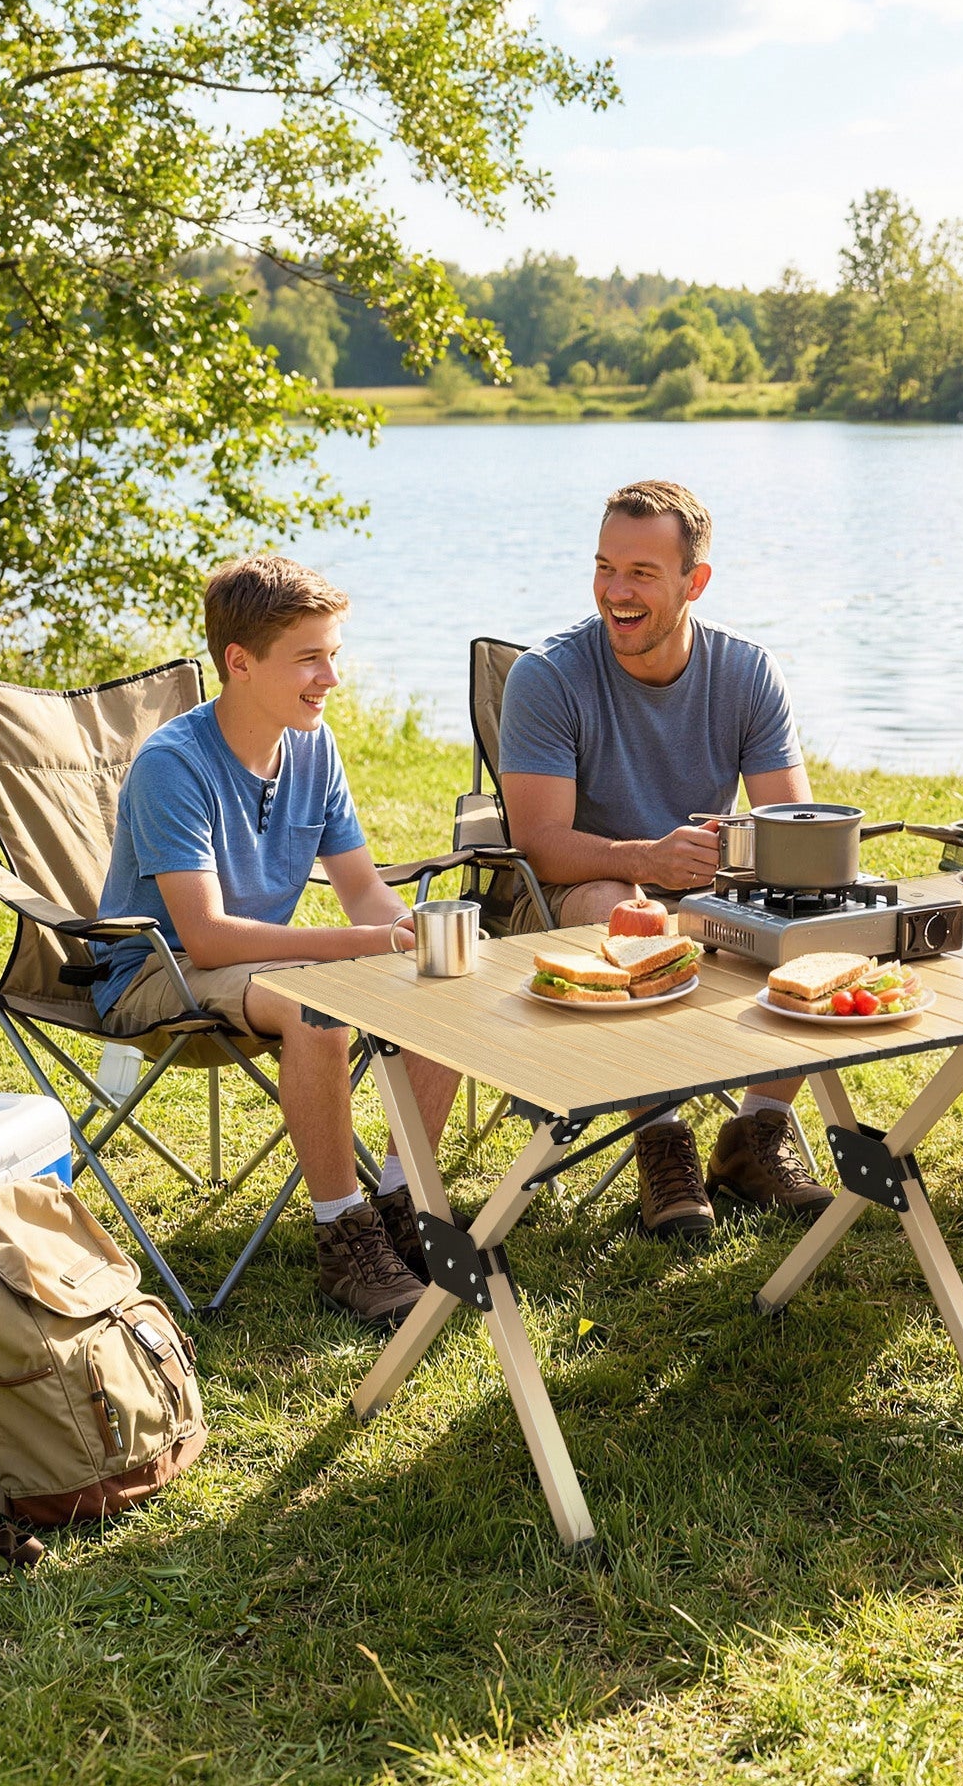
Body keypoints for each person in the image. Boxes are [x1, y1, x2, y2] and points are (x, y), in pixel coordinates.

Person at [94, 555, 462, 1328]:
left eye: (334, 654)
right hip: (158, 971)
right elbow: (207, 936)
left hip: (263, 964)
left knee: (439, 975)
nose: (331, 677)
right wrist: (362, 947)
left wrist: (407, 932)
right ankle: (342, 1234)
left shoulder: (313, 746)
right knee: (317, 1007)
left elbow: (361, 888)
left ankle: (402, 1202)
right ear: (240, 663)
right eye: (309, 658)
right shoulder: (173, 766)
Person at [497, 479, 831, 1239]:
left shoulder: (746, 674)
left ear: (694, 582)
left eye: (641, 573)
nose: (616, 591)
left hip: (701, 893)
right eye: (604, 567)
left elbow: (791, 825)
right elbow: (539, 842)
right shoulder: (549, 676)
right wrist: (648, 857)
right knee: (622, 905)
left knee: (818, 907)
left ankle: (758, 1134)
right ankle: (662, 1137)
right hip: (562, 895)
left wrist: (745, 863)